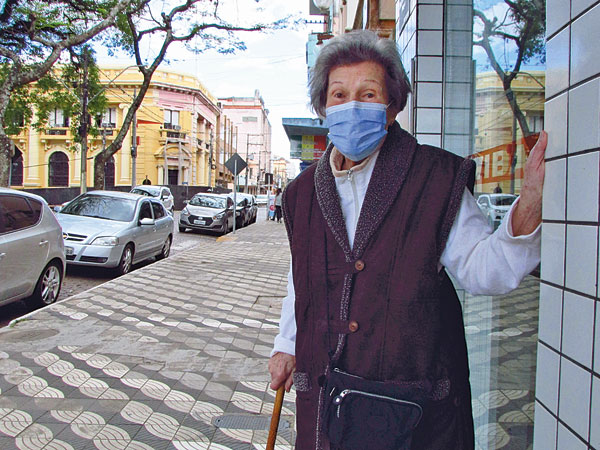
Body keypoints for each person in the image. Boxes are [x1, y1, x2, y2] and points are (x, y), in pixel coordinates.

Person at [268, 30, 546, 450]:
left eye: (368, 93)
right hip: (327, 400)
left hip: (411, 408)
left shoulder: (435, 178)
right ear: (324, 107)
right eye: (339, 95)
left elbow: (484, 270)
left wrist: (528, 209)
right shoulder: (301, 193)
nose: (352, 105)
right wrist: (286, 345)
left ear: (392, 107)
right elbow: (301, 280)